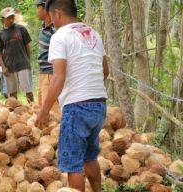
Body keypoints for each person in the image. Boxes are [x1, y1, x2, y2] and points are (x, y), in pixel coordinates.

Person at [35, 0, 109, 192]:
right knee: (89, 157)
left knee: (73, 164)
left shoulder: (60, 36)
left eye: (51, 17)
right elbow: (105, 71)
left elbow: (58, 77)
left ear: (58, 13)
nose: (51, 22)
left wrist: (44, 110)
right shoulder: (94, 33)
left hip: (77, 107)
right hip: (99, 105)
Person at [0, 7, 34, 103]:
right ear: (3, 19)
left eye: (12, 17)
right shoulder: (0, 34)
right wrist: (3, 67)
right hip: (9, 66)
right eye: (8, 17)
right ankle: (14, 114)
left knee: (28, 91)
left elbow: (28, 46)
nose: (11, 19)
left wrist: (27, 61)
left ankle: (33, 111)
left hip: (23, 64)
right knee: (12, 94)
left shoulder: (21, 29)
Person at [35, 0, 60, 115]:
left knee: (51, 110)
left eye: (38, 7)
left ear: (45, 9)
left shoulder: (55, 30)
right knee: (40, 106)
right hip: (43, 72)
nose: (37, 11)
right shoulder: (43, 27)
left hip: (50, 73)